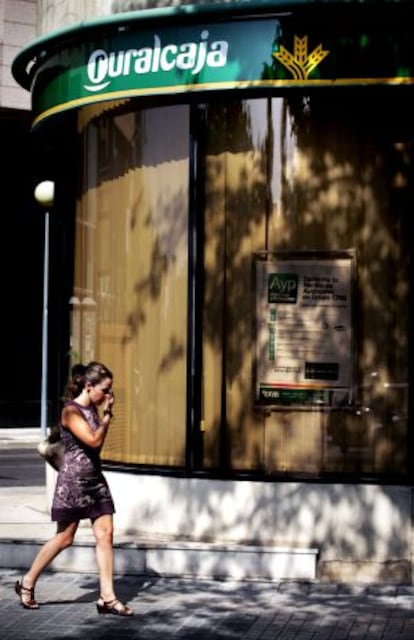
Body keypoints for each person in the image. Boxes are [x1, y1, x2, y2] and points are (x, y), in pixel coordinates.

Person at [14, 361, 133, 616]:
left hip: (95, 481)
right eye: (105, 390)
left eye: (110, 391)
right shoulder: (71, 412)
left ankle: (107, 597)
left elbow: (95, 448)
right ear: (89, 387)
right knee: (65, 538)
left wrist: (103, 414)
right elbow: (93, 440)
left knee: (106, 535)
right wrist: (108, 415)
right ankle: (27, 581)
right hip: (74, 483)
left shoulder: (92, 410)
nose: (108, 396)